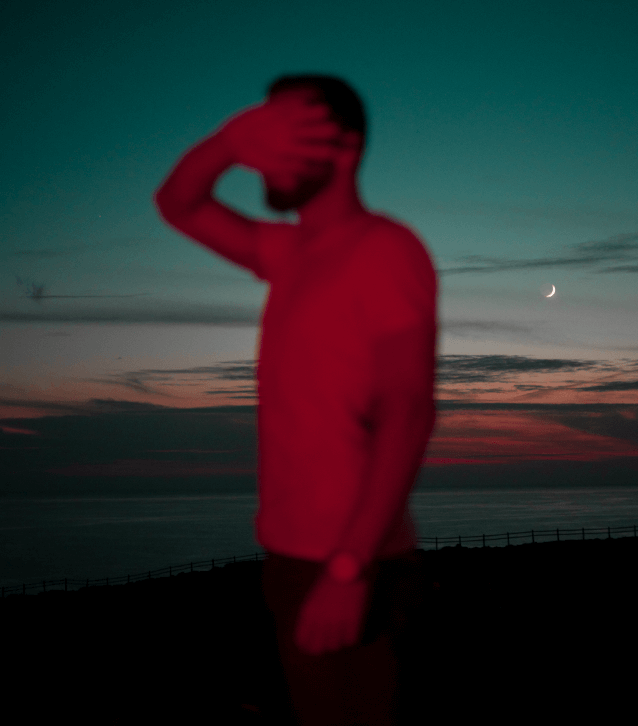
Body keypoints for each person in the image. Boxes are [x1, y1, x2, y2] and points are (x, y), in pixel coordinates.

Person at [153, 74, 437, 725]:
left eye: (287, 134)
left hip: (352, 563)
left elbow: (408, 410)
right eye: (264, 133)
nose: (265, 154)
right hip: (292, 554)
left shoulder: (384, 249)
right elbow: (178, 203)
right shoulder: (290, 253)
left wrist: (348, 569)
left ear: (346, 146)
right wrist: (229, 142)